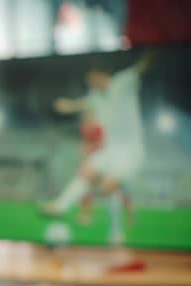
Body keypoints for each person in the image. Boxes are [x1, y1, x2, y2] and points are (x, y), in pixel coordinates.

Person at [44, 52, 153, 243]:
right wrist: (68, 106)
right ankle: (60, 206)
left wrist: (152, 53)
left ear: (102, 75)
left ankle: (116, 232)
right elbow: (83, 103)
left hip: (130, 152)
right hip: (109, 150)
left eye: (92, 78)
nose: (90, 82)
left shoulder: (123, 82)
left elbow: (141, 68)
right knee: (86, 171)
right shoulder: (95, 96)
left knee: (108, 188)